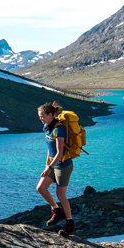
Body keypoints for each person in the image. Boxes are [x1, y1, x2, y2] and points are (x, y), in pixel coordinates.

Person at [37, 102, 75, 238]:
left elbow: (59, 152)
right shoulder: (46, 127)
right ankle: (57, 211)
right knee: (41, 188)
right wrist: (47, 165)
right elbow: (50, 148)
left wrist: (50, 167)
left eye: (42, 116)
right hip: (52, 164)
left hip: (63, 166)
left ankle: (70, 223)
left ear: (51, 115)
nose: (41, 119)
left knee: (61, 195)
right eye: (39, 116)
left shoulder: (59, 128)